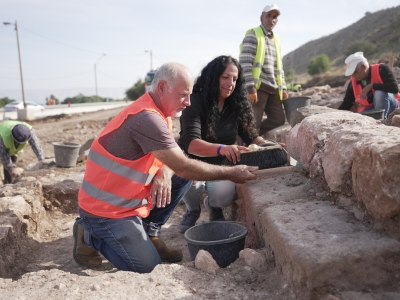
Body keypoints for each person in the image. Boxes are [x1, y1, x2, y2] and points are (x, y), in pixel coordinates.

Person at [73, 62, 259, 273]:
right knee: (146, 266)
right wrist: (231, 173)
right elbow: (184, 165)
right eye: (183, 95)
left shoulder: (161, 112)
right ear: (162, 87)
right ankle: (89, 234)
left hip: (127, 202)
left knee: (179, 177)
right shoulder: (146, 118)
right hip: (105, 211)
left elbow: (174, 159)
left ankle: (148, 231)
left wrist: (164, 172)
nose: (188, 102)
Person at [177, 55, 274, 233]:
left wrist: (269, 145)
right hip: (193, 161)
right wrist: (223, 149)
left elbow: (252, 137)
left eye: (235, 79)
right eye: (225, 77)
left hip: (223, 165)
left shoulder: (236, 104)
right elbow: (191, 144)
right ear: (213, 76)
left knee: (223, 194)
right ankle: (192, 209)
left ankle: (213, 205)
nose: (230, 83)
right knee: (184, 179)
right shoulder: (194, 101)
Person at [239, 3, 288, 136]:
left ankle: (254, 136)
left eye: (274, 17)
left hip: (274, 88)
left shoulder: (276, 39)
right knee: (252, 122)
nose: (271, 19)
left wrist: (283, 88)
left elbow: (279, 66)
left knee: (278, 120)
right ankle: (246, 149)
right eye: (268, 16)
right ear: (261, 18)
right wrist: (250, 88)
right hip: (258, 87)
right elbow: (244, 64)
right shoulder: (253, 35)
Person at [338, 52, 400, 119]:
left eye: (355, 72)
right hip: (371, 109)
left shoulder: (382, 69)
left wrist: (371, 86)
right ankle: (377, 120)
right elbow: (347, 103)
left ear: (364, 67)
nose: (353, 76)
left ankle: (382, 120)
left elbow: (394, 88)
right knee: (360, 117)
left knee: (379, 93)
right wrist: (335, 114)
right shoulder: (353, 81)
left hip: (391, 107)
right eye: (351, 73)